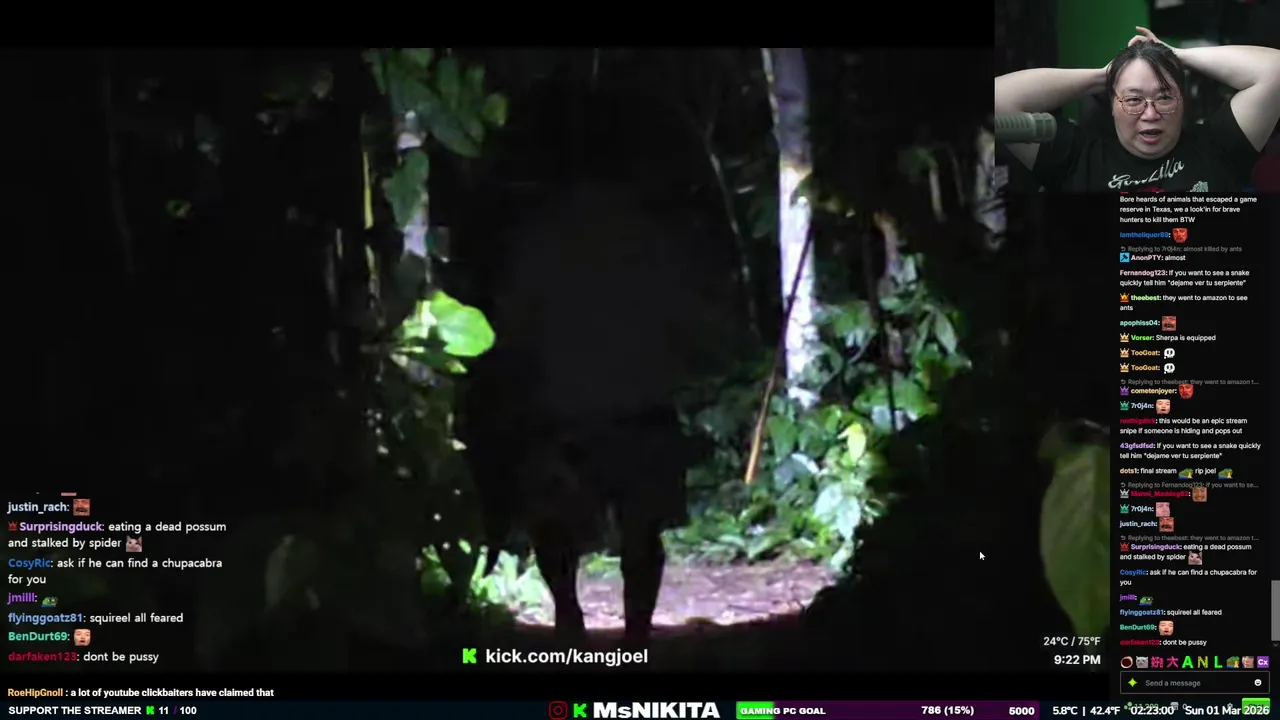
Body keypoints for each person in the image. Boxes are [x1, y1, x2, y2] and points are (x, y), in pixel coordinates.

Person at [995, 27, 1280, 192]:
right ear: (1112, 104)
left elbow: (1275, 70)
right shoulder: (1076, 157)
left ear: (1182, 101)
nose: (1151, 114)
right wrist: (1103, 77)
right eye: (1133, 100)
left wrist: (1175, 56)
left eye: (1164, 98)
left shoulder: (1217, 148)